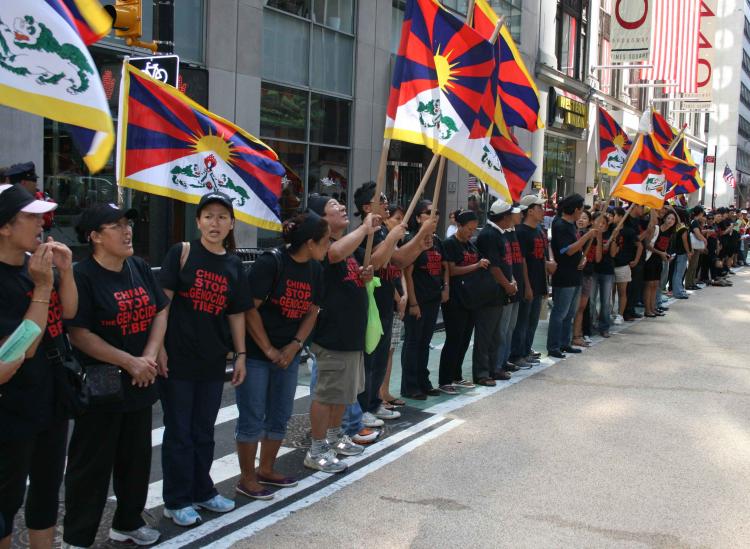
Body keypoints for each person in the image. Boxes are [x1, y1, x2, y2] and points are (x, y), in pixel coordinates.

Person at [63, 203, 169, 548]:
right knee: (90, 468)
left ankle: (127, 523)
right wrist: (129, 361)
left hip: (141, 380)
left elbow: (160, 310)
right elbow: (78, 332)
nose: (127, 231)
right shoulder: (82, 275)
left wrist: (149, 357)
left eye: (128, 224)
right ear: (94, 237)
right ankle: (77, 538)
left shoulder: (137, 266)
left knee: (136, 461)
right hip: (102, 385)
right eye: (116, 225)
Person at [157, 193, 252, 525]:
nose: (215, 223)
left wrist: (241, 354)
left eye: (222, 217)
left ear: (231, 224)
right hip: (178, 361)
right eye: (208, 216)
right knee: (179, 432)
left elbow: (237, 314)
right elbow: (163, 305)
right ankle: (176, 499)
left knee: (203, 431)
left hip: (212, 362)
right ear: (198, 221)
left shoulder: (233, 264)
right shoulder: (181, 253)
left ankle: (202, 491)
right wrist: (159, 348)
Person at [0, 184, 74, 549]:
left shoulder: (35, 267)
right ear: (5, 227)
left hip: (50, 399)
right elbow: (16, 353)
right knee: (6, 501)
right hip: (12, 409)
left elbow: (71, 314)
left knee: (46, 489)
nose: (41, 223)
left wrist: (63, 273)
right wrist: (43, 287)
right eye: (30, 216)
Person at [236, 210, 328, 498]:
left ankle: (266, 469)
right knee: (252, 416)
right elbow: (249, 310)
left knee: (280, 414)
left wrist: (294, 345)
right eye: (325, 241)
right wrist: (268, 349)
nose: (329, 246)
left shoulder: (316, 270)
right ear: (310, 243)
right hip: (256, 353)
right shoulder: (271, 262)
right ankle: (247, 478)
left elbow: (313, 310)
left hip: (288, 354)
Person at [304, 195, 378, 473]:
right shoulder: (325, 246)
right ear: (321, 219)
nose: (342, 207)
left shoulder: (349, 247)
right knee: (326, 395)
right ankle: (317, 448)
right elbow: (333, 256)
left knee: (342, 395)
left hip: (350, 337)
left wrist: (364, 275)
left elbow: (351, 270)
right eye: (334, 205)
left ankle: (335, 437)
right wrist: (365, 228)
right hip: (332, 336)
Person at [401, 200, 448, 399]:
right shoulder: (412, 240)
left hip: (432, 299)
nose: (434, 216)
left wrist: (445, 287)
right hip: (417, 301)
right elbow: (407, 273)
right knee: (413, 343)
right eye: (429, 212)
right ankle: (410, 386)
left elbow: (444, 266)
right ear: (419, 217)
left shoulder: (436, 240)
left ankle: (424, 381)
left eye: (436, 212)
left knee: (424, 343)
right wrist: (413, 303)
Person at [438, 210, 485, 393]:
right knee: (454, 339)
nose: (471, 232)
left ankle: (456, 375)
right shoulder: (450, 244)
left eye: (474, 229)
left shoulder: (471, 246)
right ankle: (445, 379)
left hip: (471, 298)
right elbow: (452, 270)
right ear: (459, 226)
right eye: (468, 229)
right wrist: (476, 265)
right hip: (455, 299)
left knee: (465, 339)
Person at [547, 194, 598, 359]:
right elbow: (566, 250)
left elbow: (575, 249)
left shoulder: (571, 225)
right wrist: (587, 236)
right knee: (560, 312)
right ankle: (554, 346)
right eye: (581, 209)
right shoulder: (560, 225)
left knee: (570, 312)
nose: (582, 213)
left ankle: (565, 343)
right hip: (564, 275)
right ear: (575, 209)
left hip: (576, 274)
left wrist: (582, 256)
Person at [474, 200, 518, 385]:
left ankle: (493, 368)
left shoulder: (500, 234)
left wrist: (511, 281)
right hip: (489, 292)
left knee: (495, 334)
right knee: (486, 334)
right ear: (505, 216)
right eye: (511, 215)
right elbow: (493, 267)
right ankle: (482, 373)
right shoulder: (490, 235)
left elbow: (504, 263)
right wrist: (507, 284)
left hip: (499, 291)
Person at [510, 194, 550, 366]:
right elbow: (523, 261)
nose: (543, 211)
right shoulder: (521, 232)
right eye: (540, 208)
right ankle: (517, 355)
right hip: (528, 284)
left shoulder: (540, 230)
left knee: (533, 321)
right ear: (531, 211)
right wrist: (526, 286)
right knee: (522, 322)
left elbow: (542, 258)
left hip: (539, 283)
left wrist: (546, 284)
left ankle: (526, 350)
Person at [380, 204, 408, 408]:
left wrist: (405, 294)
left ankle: (385, 391)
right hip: (387, 305)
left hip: (399, 304)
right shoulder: (383, 243)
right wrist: (399, 297)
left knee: (390, 351)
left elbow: (401, 270)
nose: (401, 223)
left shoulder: (397, 245)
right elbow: (384, 273)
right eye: (397, 219)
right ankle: (378, 395)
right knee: (382, 352)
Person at [572, 210, 601, 347]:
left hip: (587, 274)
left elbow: (598, 258)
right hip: (574, 274)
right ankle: (571, 335)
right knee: (573, 307)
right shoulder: (572, 233)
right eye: (580, 217)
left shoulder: (592, 236)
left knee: (582, 307)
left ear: (590, 222)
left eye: (585, 218)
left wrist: (598, 237)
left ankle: (579, 334)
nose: (581, 220)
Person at [5, 162, 56, 232]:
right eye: (34, 180)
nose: (36, 184)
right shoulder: (13, 207)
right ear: (23, 183)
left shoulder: (10, 202)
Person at [609, 207, 639, 325]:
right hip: (610, 265)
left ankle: (620, 315)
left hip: (623, 265)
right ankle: (610, 312)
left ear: (621, 217)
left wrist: (635, 260)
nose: (612, 217)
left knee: (622, 292)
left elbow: (639, 245)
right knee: (610, 292)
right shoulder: (610, 228)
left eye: (614, 215)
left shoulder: (629, 231)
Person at [643, 210, 675, 317]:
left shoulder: (671, 232)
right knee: (649, 285)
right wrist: (660, 253)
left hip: (659, 260)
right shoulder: (656, 229)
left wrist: (666, 255)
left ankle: (653, 308)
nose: (671, 221)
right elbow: (647, 245)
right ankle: (647, 310)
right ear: (664, 218)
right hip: (650, 258)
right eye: (669, 218)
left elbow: (665, 248)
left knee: (655, 285)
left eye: (673, 219)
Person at [590, 212, 615, 338]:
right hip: (592, 271)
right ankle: (590, 324)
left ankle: (604, 327)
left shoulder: (611, 235)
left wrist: (613, 240)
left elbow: (614, 254)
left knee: (605, 301)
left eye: (604, 223)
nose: (601, 225)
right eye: (598, 222)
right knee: (591, 300)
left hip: (607, 271)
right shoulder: (589, 235)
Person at [671, 208, 692, 299]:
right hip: (682, 252)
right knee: (679, 273)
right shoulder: (683, 228)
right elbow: (685, 241)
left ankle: (678, 290)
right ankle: (678, 292)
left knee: (676, 273)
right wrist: (688, 252)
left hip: (677, 252)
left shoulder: (677, 226)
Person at [686, 207, 708, 289]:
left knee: (694, 265)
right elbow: (697, 234)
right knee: (692, 265)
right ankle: (689, 284)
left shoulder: (695, 222)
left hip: (695, 246)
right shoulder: (695, 222)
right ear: (701, 213)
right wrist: (704, 240)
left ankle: (692, 283)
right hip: (694, 247)